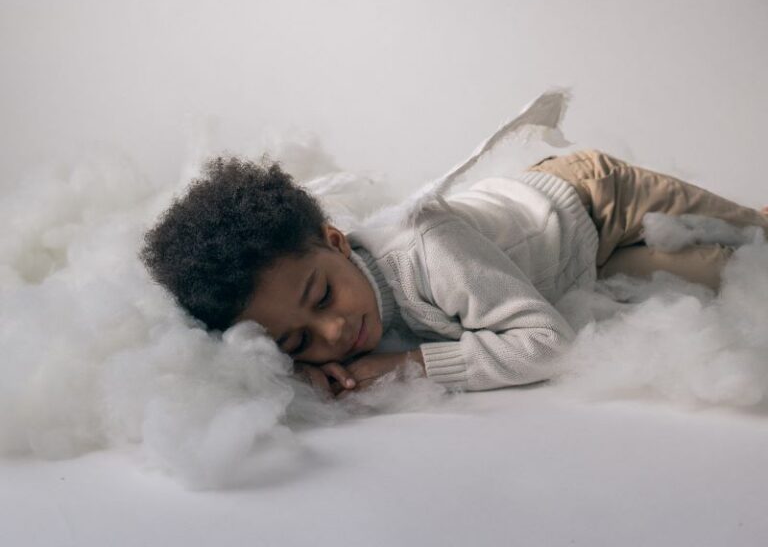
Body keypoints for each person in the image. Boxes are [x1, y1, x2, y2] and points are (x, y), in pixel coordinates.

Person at [139, 142, 768, 398]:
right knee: (726, 276)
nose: (333, 333)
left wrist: (404, 364)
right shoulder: (317, 305)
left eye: (323, 297)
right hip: (579, 268)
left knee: (754, 240)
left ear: (336, 242)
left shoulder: (427, 252)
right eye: (298, 340)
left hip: (597, 199)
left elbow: (549, 344)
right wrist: (304, 371)